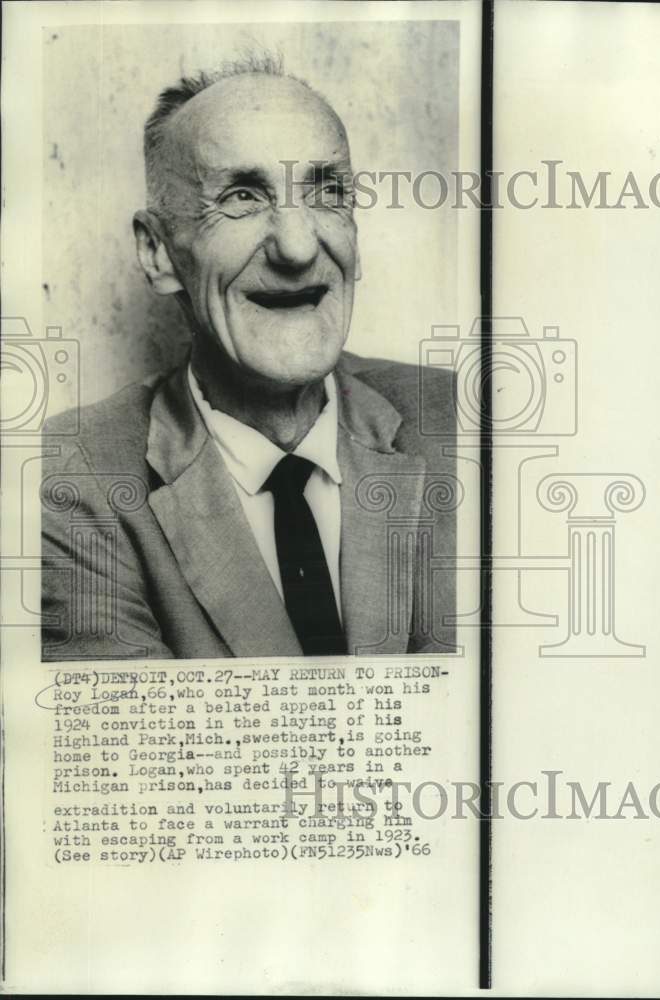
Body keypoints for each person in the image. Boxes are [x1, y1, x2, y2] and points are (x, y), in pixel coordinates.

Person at [41, 56, 457, 661]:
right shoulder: (72, 483)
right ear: (158, 251)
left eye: (327, 193)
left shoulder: (472, 426)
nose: (296, 245)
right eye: (241, 196)